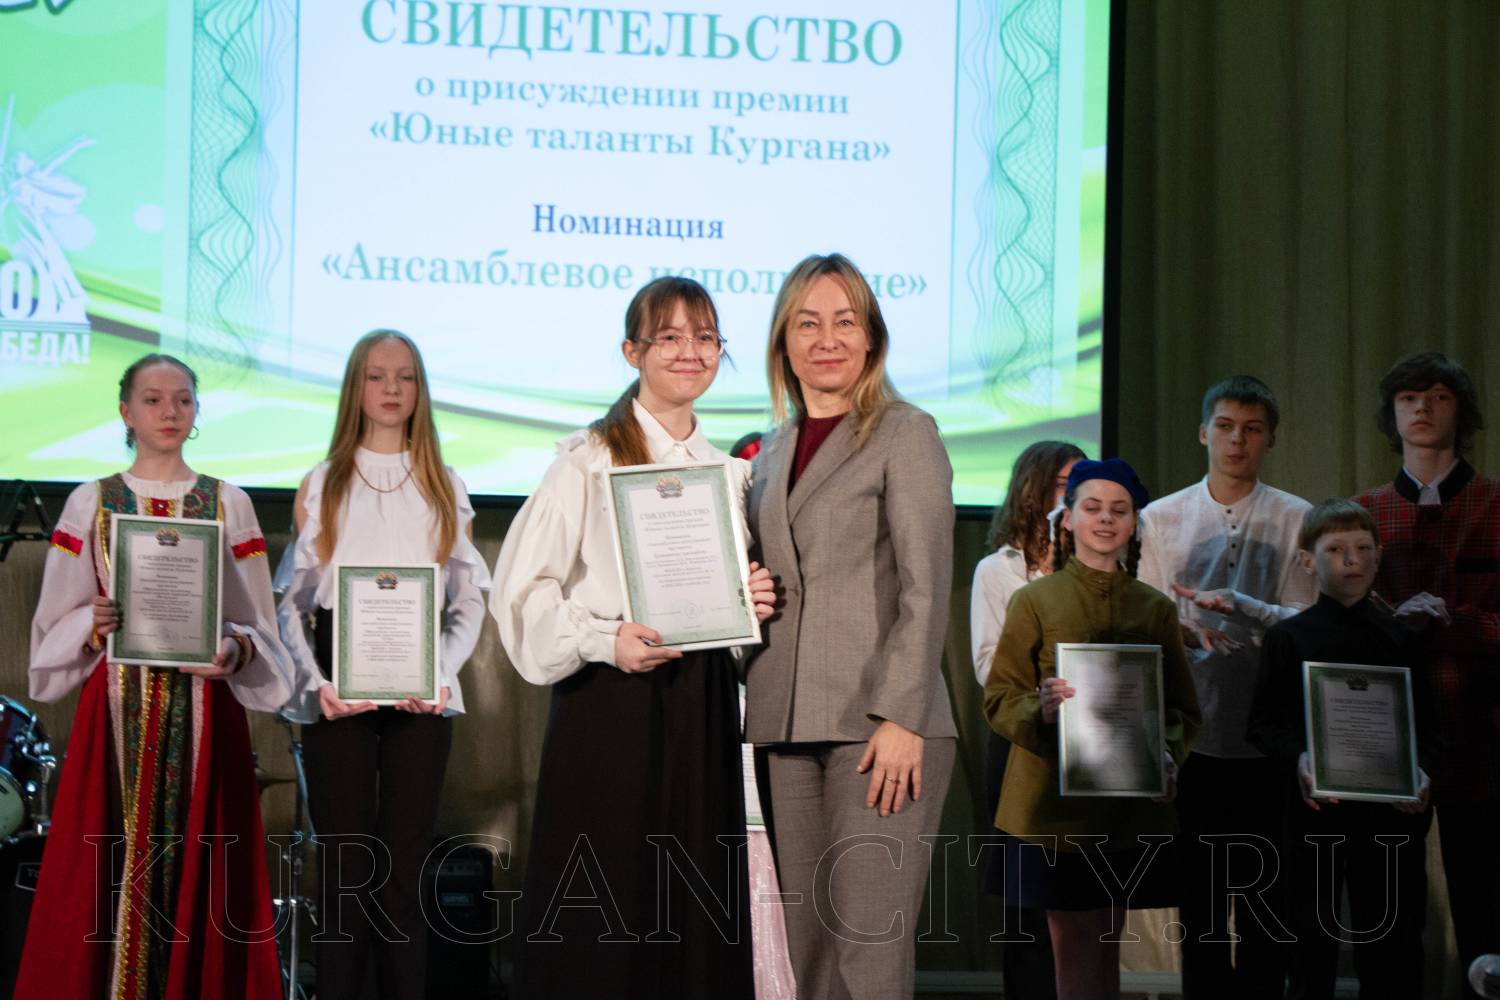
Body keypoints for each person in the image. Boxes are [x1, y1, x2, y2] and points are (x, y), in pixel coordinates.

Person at [490, 276, 774, 999]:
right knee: (606, 906)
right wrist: (603, 639)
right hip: (609, 701)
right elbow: (521, 592)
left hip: (703, 704)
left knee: (694, 905)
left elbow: (741, 613)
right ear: (632, 351)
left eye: (705, 337)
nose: (690, 352)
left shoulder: (733, 476)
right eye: (669, 337)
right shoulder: (587, 461)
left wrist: (753, 602)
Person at [17, 353, 293, 1000]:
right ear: (126, 412)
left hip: (205, 717)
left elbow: (257, 623)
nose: (170, 412)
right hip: (116, 717)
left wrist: (234, 649)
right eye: (153, 399)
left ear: (196, 412)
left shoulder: (228, 503)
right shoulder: (91, 503)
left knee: (206, 874)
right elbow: (54, 624)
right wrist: (92, 621)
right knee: (101, 867)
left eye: (183, 400)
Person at [744, 252, 957, 1000]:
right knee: (808, 956)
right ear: (784, 340)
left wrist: (903, 715)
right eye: (807, 323)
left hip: (878, 727)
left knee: (867, 951)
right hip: (784, 721)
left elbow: (927, 587)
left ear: (872, 338)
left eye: (845, 321)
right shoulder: (769, 450)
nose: (826, 338)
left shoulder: (906, 432)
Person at [274, 330, 491, 1000]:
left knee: (401, 873)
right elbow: (291, 603)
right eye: (376, 376)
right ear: (355, 388)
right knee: (345, 871)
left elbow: (469, 599)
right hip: (338, 684)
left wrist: (442, 672)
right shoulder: (323, 483)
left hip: (421, 686)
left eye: (405, 377)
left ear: (420, 389)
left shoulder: (444, 484)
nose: (392, 389)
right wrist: (317, 683)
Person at [985, 458, 1200, 1000]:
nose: (1105, 519)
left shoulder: (1154, 609)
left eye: (1119, 510)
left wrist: (1167, 752)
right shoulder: (1033, 600)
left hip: (1126, 804)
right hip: (1053, 806)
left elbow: (1181, 709)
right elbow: (1001, 696)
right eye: (1093, 507)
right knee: (1072, 944)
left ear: (1133, 523)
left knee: (1107, 939)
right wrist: (1041, 710)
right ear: (1068, 518)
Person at [1135, 375, 1314, 998]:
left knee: (1268, 900)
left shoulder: (1296, 517)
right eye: (1227, 427)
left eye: (1253, 429)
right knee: (1201, 902)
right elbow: (1152, 620)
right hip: (1195, 736)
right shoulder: (1161, 518)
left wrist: (1246, 609)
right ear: (1203, 432)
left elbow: (1303, 622)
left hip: (1268, 737)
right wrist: (1190, 632)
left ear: (1271, 439)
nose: (1238, 441)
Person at [1352, 351, 1499, 998]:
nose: (1422, 408)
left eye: (1438, 396)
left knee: (1487, 906)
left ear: (1460, 412)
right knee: (1388, 911)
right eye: (1409, 398)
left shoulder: (1497, 504)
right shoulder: (1362, 513)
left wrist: (1457, 620)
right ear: (1392, 414)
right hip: (1390, 736)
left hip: (1484, 735)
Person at [1247, 498, 1436, 1000]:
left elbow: (1430, 728)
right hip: (1314, 816)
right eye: (1335, 549)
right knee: (1310, 946)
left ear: (1378, 556)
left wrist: (1422, 772)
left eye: (1363, 548)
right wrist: (1300, 759)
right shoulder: (1288, 638)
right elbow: (1263, 725)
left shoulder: (1403, 638)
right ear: (1307, 560)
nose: (1351, 559)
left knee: (1394, 947)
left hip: (1390, 819)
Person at [970, 440, 1085, 1000]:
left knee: (1081, 894)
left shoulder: (1094, 567)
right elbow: (987, 664)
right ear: (1034, 489)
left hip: (1088, 737)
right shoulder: (998, 570)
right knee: (1026, 898)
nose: (1075, 495)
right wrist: (1039, 686)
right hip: (1023, 742)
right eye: (1066, 484)